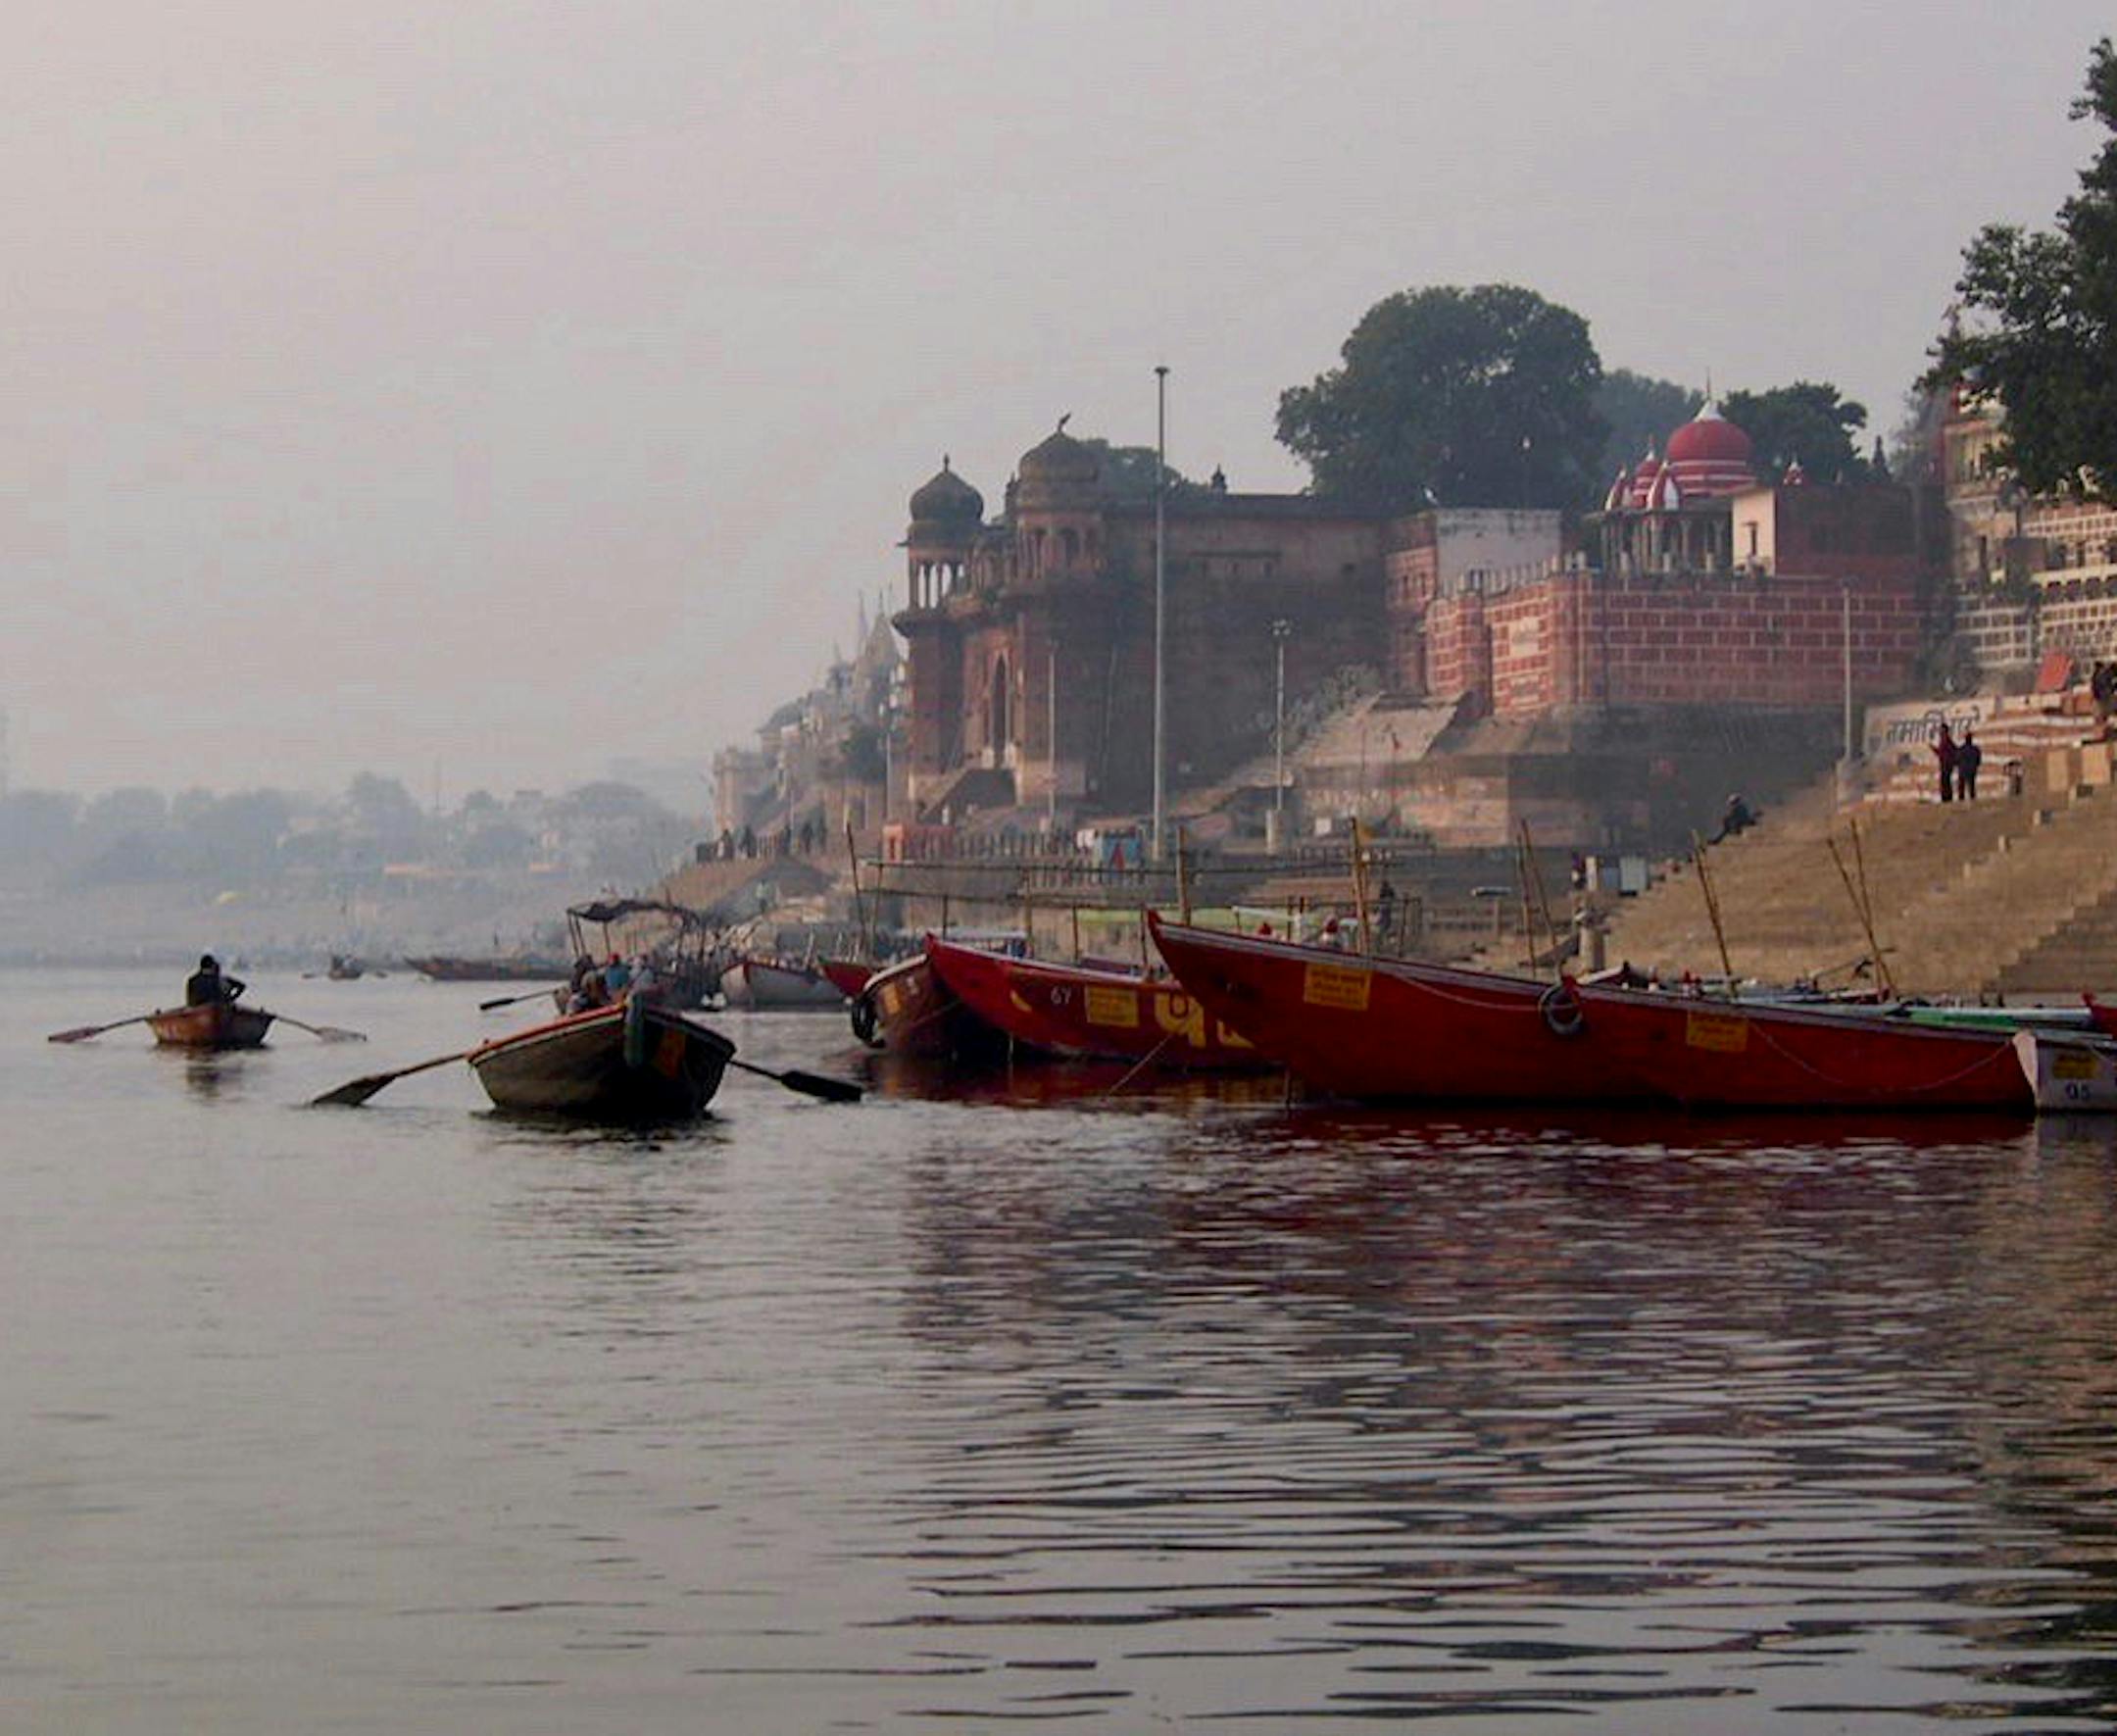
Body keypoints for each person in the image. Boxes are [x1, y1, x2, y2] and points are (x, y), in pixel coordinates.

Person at [1932, 720, 1958, 804]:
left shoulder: (1947, 740)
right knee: (1944, 781)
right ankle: (1946, 797)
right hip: (1944, 763)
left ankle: (1947, 798)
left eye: (1941, 730)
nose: (1940, 732)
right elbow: (1941, 752)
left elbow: (1952, 750)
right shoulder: (1943, 740)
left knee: (1945, 781)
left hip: (1946, 764)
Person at [1957, 726, 1983, 801]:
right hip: (1971, 770)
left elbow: (1957, 759)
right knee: (1971, 788)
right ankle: (1972, 801)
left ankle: (1961, 802)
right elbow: (1978, 761)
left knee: (1962, 789)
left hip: (1963, 771)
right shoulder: (1975, 749)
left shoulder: (1962, 749)